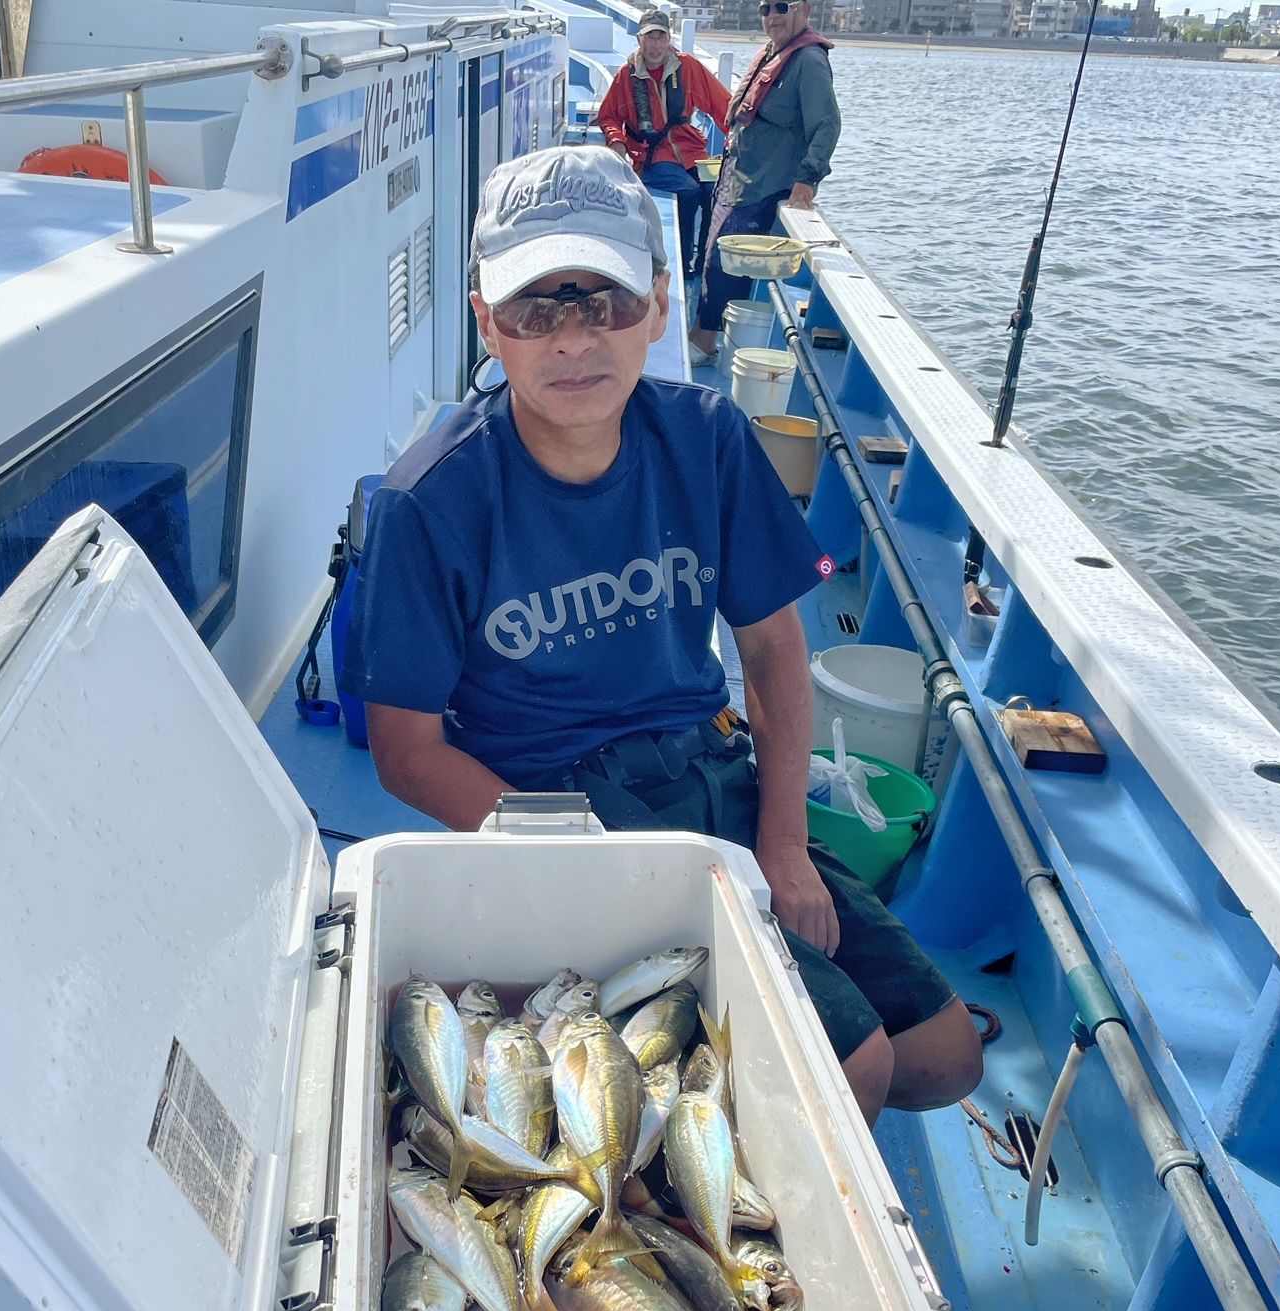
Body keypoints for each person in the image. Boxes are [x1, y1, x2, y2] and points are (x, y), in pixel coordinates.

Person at [341, 145, 982, 1126]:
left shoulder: (708, 438)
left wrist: (784, 844)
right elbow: (406, 751)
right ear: (487, 324)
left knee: (946, 1059)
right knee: (855, 1067)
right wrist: (593, 870)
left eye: (606, 301)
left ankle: (719, 1101)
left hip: (708, 771)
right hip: (557, 806)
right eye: (535, 310)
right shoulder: (429, 502)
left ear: (658, 308)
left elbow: (772, 648)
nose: (573, 339)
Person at [690, 0, 840, 367]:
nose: (772, 16)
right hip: (737, 180)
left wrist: (806, 180)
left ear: (804, 10)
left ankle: (706, 341)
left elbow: (827, 125)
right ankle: (703, 335)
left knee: (726, 262)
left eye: (782, 7)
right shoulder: (773, 52)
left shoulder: (809, 60)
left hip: (765, 186)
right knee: (712, 256)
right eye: (765, 9)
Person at [597, 9, 730, 281]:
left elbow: (722, 105)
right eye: (649, 37)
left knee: (713, 193)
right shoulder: (626, 75)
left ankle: (704, 263)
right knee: (689, 191)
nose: (655, 45)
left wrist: (738, 137)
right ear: (639, 40)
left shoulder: (688, 67)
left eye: (661, 37)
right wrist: (616, 140)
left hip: (690, 149)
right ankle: (681, 262)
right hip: (651, 155)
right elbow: (608, 116)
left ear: (669, 40)